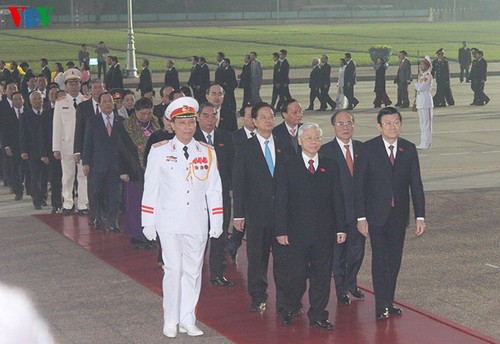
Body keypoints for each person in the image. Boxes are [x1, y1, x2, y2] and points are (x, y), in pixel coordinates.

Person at [141, 97, 223, 338]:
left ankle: (188, 318)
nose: (188, 127)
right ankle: (170, 319)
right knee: (173, 268)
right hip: (169, 221)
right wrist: (148, 221)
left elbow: (214, 189)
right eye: (182, 122)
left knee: (193, 271)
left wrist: (216, 220)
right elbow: (151, 188)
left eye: (191, 122)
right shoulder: (160, 151)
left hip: (197, 221)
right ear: (172, 125)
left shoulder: (207, 152)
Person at [354, 106, 426, 320]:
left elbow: (416, 185)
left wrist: (420, 216)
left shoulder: (409, 149)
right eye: (388, 123)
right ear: (379, 126)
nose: (392, 126)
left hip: (398, 216)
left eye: (396, 122)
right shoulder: (367, 149)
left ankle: (389, 300)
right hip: (376, 216)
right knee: (380, 259)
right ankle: (380, 305)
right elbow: (359, 186)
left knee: (394, 260)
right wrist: (361, 217)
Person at [276, 122, 346, 329]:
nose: (314, 142)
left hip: (324, 233)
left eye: (317, 138)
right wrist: (281, 230)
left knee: (322, 276)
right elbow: (281, 200)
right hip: (296, 234)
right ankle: (290, 306)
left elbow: (338, 199)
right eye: (309, 138)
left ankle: (318, 314)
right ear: (299, 141)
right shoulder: (288, 166)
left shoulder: (331, 165)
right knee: (296, 275)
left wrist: (341, 227)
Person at [232, 102, 292, 313]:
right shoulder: (245, 148)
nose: (269, 120)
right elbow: (239, 183)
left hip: (283, 214)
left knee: (284, 259)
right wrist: (238, 214)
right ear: (254, 122)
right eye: (263, 117)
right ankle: (258, 296)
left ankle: (287, 300)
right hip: (256, 214)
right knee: (257, 258)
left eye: (271, 116)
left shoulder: (285, 144)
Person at [320, 110, 366, 306]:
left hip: (360, 213)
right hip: (337, 213)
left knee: (357, 251)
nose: (345, 127)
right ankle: (341, 289)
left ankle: (351, 283)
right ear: (333, 127)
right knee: (338, 254)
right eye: (340, 124)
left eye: (349, 123)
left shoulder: (363, 149)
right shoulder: (325, 151)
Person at [194, 102, 235, 286]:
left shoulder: (226, 137)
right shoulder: (191, 138)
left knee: (219, 235)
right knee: (198, 235)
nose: (211, 119)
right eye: (206, 115)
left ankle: (218, 273)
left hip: (220, 196)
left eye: (213, 115)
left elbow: (232, 166)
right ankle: (194, 272)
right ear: (198, 117)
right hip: (196, 197)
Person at [117, 97, 160, 247]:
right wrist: (123, 171)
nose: (146, 117)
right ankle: (137, 237)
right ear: (136, 112)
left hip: (154, 170)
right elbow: (120, 151)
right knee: (135, 204)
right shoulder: (126, 126)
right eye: (142, 114)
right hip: (134, 170)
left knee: (152, 204)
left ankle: (151, 235)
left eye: (148, 113)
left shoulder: (156, 124)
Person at [82, 92, 124, 232]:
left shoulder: (121, 121)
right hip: (98, 165)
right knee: (97, 193)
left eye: (110, 101)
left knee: (115, 195)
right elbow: (87, 143)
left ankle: (112, 222)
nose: (108, 104)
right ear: (99, 105)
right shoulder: (92, 121)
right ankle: (97, 216)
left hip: (116, 166)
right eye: (104, 101)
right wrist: (86, 162)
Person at [52, 68, 88, 215]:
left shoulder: (86, 101)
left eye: (76, 83)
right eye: (70, 84)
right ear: (66, 85)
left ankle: (83, 203)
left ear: (80, 85)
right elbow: (57, 126)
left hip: (83, 145)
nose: (74, 86)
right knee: (67, 175)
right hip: (66, 144)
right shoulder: (61, 103)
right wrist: (56, 147)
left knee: (83, 176)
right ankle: (68, 202)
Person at [228, 103, 255, 261]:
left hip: (259, 187)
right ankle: (234, 244)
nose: (252, 119)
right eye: (249, 115)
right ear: (242, 117)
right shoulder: (234, 138)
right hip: (243, 185)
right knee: (241, 219)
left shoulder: (265, 137)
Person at [20, 91, 49, 209]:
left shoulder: (47, 114)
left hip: (46, 151)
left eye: (39, 99)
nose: (38, 101)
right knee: (35, 175)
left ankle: (43, 197)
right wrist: (23, 150)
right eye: (35, 99)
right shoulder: (25, 115)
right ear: (30, 101)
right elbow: (22, 134)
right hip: (32, 151)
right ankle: (37, 200)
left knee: (45, 176)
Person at [415, 57, 434, 150]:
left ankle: (427, 143)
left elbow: (421, 88)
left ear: (426, 66)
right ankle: (422, 142)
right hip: (421, 100)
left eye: (422, 65)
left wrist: (417, 85)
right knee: (422, 123)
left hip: (426, 100)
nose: (420, 66)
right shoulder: (422, 76)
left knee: (427, 124)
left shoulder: (427, 76)